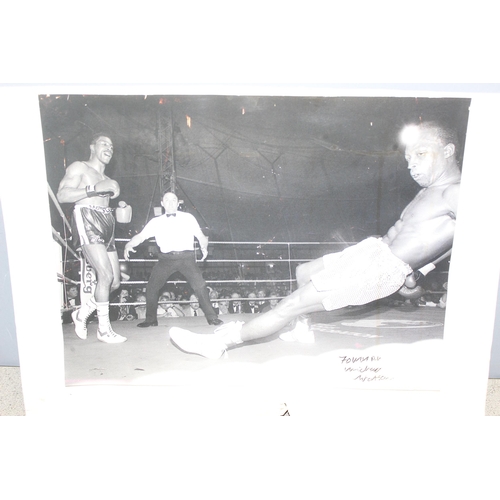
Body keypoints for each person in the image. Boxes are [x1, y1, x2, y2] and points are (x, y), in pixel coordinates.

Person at [170, 121, 461, 358]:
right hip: (373, 251)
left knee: (289, 305)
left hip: (382, 266)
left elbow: (465, 240)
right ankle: (301, 329)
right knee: (303, 272)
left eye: (421, 154)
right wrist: (421, 269)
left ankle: (219, 345)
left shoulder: (456, 193)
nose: (411, 165)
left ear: (448, 151)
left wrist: (418, 271)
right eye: (409, 158)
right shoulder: (431, 190)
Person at [56, 134, 127, 343]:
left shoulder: (108, 179)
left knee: (114, 282)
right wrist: (92, 189)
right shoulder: (80, 167)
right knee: (104, 275)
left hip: (107, 221)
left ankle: (81, 313)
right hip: (86, 217)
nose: (109, 148)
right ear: (92, 146)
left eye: (112, 145)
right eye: (104, 143)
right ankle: (104, 330)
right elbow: (62, 195)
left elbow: (104, 197)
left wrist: (122, 209)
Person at [124, 191, 223, 327]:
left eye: (173, 200)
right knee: (151, 288)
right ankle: (150, 320)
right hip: (165, 259)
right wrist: (129, 244)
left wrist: (204, 247)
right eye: (167, 200)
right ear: (162, 204)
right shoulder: (156, 221)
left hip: (186, 258)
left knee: (200, 286)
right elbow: (141, 236)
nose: (170, 203)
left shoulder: (188, 217)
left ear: (178, 203)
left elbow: (200, 236)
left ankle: (212, 317)